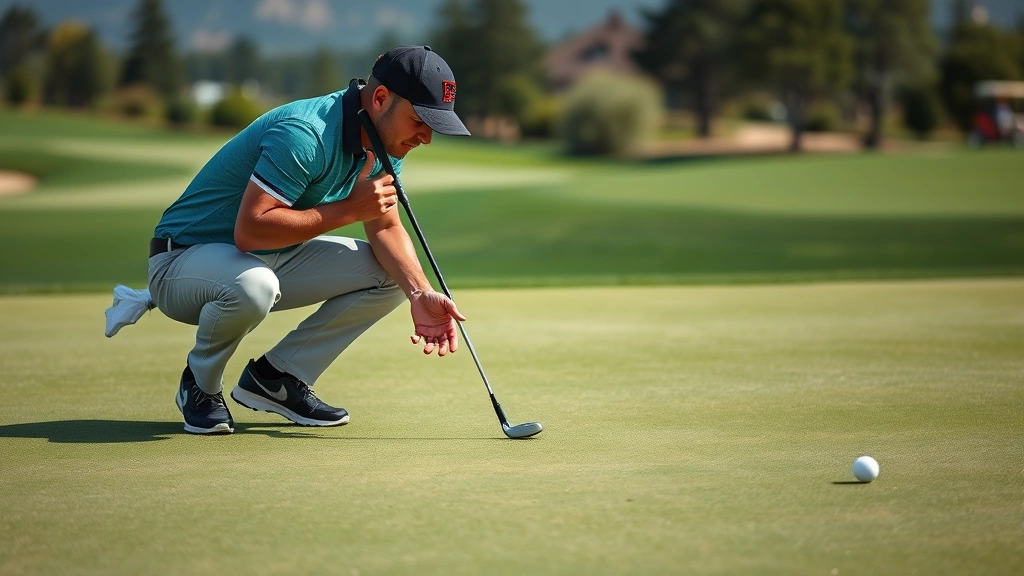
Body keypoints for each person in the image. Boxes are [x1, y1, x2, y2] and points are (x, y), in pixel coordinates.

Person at [141, 45, 471, 434]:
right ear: (380, 99)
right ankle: (200, 384)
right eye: (419, 120)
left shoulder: (385, 138)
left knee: (393, 274)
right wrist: (348, 210)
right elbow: (250, 231)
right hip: (182, 262)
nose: (426, 138)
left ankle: (277, 378)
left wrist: (419, 293)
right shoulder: (306, 134)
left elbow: (384, 226)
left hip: (262, 260)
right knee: (253, 285)